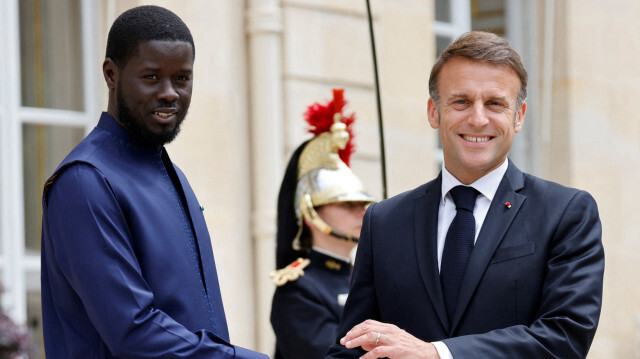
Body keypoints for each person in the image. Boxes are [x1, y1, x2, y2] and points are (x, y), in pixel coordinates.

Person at [325, 31, 604, 359]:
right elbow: (352, 347)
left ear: (518, 116)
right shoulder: (384, 221)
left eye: (495, 103)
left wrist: (438, 353)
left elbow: (564, 339)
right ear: (433, 112)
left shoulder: (566, 213)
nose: (478, 118)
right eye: (461, 101)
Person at [40, 6, 269, 358]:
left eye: (182, 78)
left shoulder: (174, 175)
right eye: (151, 77)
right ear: (111, 74)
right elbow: (133, 331)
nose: (169, 93)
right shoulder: (85, 181)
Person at [270, 89, 374, 359]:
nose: (362, 213)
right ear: (310, 213)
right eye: (348, 205)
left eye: (363, 205)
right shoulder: (298, 290)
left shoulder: (367, 278)